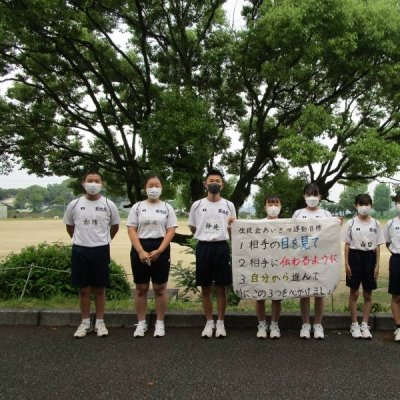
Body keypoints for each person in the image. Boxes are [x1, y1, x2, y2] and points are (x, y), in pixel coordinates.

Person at [63, 171, 120, 338]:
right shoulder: (74, 204)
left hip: (101, 249)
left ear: (102, 184)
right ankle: (85, 322)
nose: (93, 184)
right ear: (83, 183)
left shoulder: (109, 204)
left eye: (97, 181)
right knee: (84, 289)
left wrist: (104, 240)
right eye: (90, 180)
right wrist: (80, 240)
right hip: (80, 249)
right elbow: (70, 226)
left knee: (100, 288)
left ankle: (100, 322)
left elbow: (115, 226)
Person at [127, 176, 177, 338]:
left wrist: (160, 251)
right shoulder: (137, 207)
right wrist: (140, 251)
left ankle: (160, 323)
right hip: (140, 246)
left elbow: (170, 231)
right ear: (145, 188)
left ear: (162, 187)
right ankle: (141, 323)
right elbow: (132, 229)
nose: (154, 188)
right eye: (150, 185)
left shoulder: (167, 207)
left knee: (160, 288)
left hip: (160, 247)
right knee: (141, 288)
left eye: (157, 185)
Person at [188, 169, 237, 338]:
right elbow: (193, 227)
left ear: (222, 185)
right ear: (205, 184)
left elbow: (232, 228)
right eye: (211, 180)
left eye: (217, 180)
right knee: (206, 287)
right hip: (203, 247)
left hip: (222, 247)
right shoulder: (197, 205)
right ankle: (209, 322)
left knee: (221, 287)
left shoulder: (229, 205)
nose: (214, 183)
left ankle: (221, 322)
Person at [292, 183, 332, 340]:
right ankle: (305, 324)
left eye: (315, 194)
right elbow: (292, 235)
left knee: (319, 293)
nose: (312, 197)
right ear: (304, 196)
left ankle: (318, 324)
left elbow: (331, 237)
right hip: (302, 258)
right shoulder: (298, 214)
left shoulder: (327, 214)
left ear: (320, 196)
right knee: (304, 292)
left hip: (321, 258)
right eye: (309, 194)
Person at [343, 193, 385, 340]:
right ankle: (354, 324)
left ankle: (365, 324)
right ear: (356, 206)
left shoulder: (376, 223)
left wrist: (377, 265)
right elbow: (347, 245)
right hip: (355, 256)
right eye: (361, 204)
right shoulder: (351, 223)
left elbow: (379, 246)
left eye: (366, 204)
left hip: (370, 257)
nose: (364, 207)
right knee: (354, 293)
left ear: (371, 206)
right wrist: (346, 263)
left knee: (368, 294)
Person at [256, 195, 282, 339]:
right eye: (270, 204)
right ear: (264, 207)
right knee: (260, 296)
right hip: (261, 264)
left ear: (280, 206)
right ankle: (261, 324)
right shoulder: (258, 224)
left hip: (279, 266)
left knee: (276, 297)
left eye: (276, 204)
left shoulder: (287, 224)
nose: (273, 207)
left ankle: (274, 325)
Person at [383, 193, 400, 342]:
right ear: (396, 203)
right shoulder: (390, 223)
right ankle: (399, 327)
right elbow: (388, 243)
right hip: (397, 260)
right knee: (396, 296)